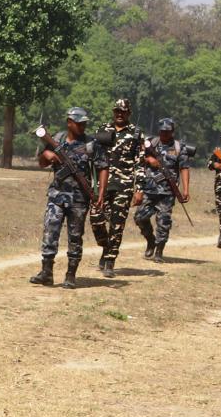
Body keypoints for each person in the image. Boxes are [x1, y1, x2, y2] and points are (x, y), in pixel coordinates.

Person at [31, 107, 107, 289]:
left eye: (84, 123)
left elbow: (103, 167)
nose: (82, 126)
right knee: (50, 232)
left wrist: (101, 193)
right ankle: (46, 272)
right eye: (78, 122)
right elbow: (42, 163)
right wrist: (47, 155)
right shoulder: (57, 139)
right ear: (69, 122)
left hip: (80, 197)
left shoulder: (91, 144)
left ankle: (71, 275)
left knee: (75, 236)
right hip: (57, 194)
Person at [90, 98, 145, 277]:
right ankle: (105, 246)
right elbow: (93, 155)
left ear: (129, 113)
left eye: (123, 111)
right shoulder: (103, 130)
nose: (119, 114)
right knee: (96, 218)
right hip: (102, 183)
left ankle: (110, 260)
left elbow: (140, 163)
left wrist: (139, 189)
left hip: (124, 185)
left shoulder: (136, 134)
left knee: (117, 224)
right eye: (117, 111)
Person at [134, 117, 191, 263]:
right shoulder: (150, 143)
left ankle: (159, 250)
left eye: (168, 132)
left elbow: (184, 168)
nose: (165, 134)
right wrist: (148, 160)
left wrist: (185, 189)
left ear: (172, 131)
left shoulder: (179, 147)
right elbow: (137, 157)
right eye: (163, 131)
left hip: (167, 192)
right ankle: (150, 240)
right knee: (140, 217)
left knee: (163, 222)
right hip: (149, 189)